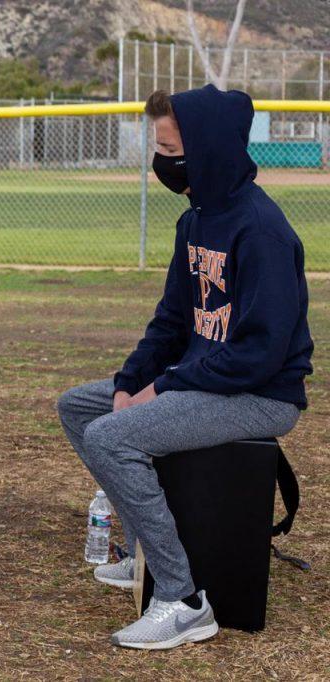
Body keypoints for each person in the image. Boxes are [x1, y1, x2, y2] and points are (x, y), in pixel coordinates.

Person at [57, 85, 313, 650]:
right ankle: (145, 556)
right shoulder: (195, 221)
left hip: (260, 395)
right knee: (80, 409)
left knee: (112, 437)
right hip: (206, 380)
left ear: (208, 149)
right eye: (159, 148)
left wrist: (166, 385)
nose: (162, 161)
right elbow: (172, 321)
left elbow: (261, 354)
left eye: (171, 149)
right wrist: (131, 381)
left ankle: (183, 600)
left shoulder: (262, 231)